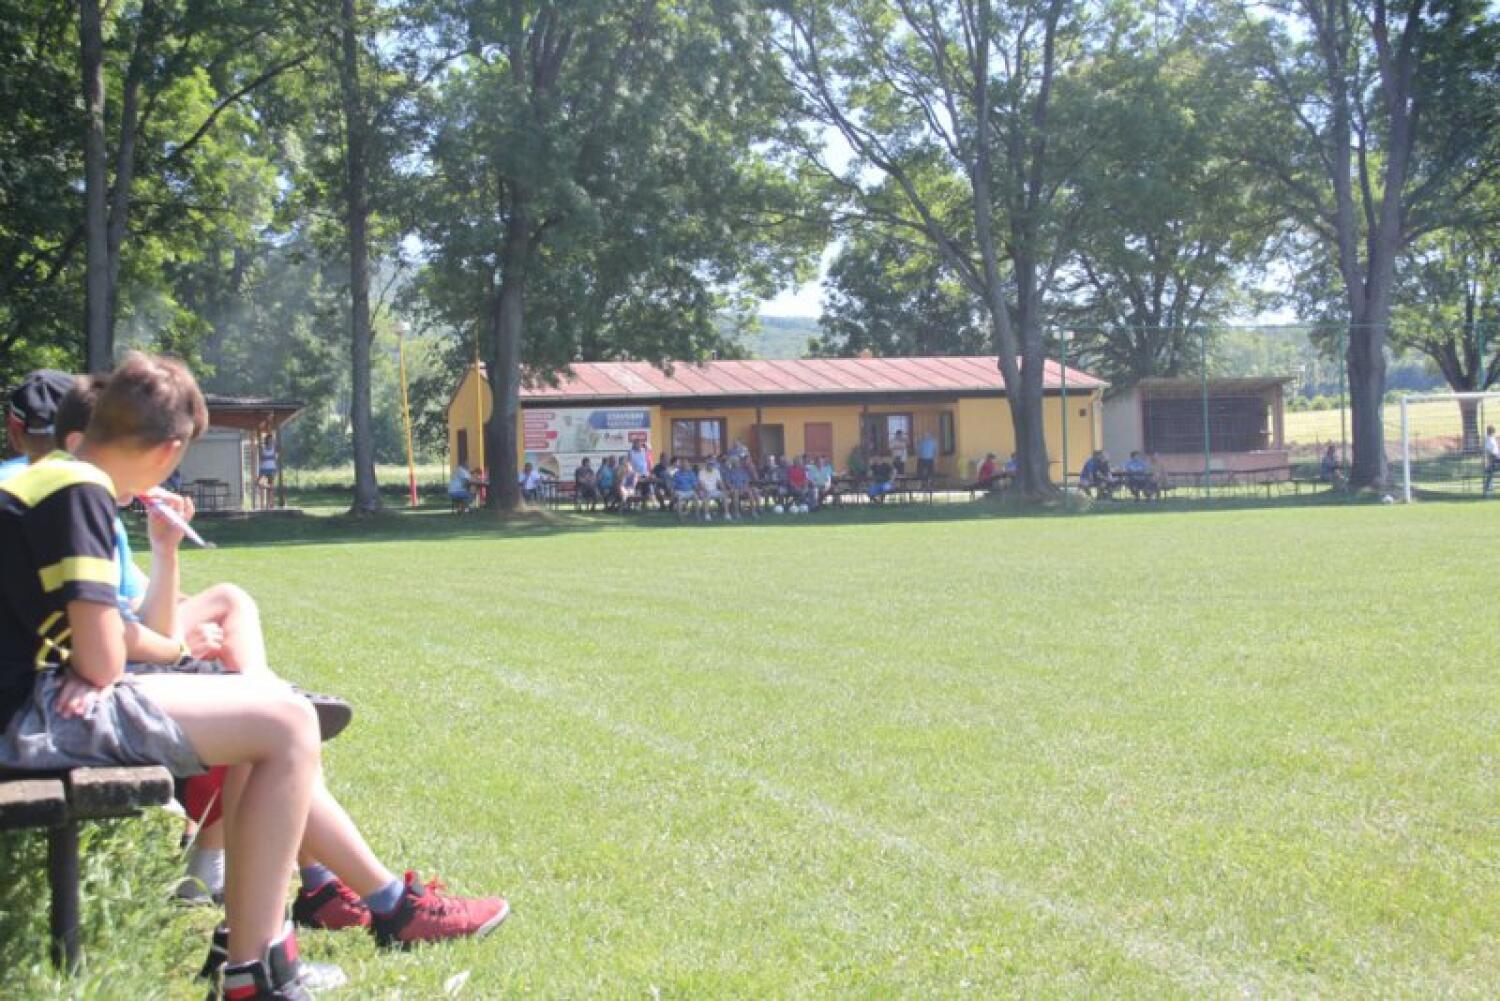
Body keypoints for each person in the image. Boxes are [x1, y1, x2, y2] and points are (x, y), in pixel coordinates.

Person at [44, 359, 510, 990]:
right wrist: (128, 655)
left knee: (266, 711)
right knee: (284, 721)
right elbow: (101, 655)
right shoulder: (80, 494)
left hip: (42, 704)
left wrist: (112, 650)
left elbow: (90, 637)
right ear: (170, 451)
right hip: (42, 718)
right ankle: (276, 958)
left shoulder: (55, 484)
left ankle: (260, 953)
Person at [256, 433, 278, 510]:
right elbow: (261, 458)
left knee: (271, 486)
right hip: (264, 468)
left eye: (271, 439)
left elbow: (275, 457)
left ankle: (268, 505)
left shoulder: (274, 448)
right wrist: (269, 457)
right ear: (266, 440)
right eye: (269, 439)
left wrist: (268, 457)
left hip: (272, 468)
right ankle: (266, 487)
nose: (270, 441)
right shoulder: (263, 448)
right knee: (258, 483)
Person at [1484, 425, 1498, 497]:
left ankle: (1488, 490)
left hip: (1495, 458)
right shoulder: (1488, 439)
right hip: (1493, 459)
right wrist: (1490, 461)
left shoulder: (1492, 438)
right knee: (1490, 474)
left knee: (1490, 474)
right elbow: (1489, 452)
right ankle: (1487, 491)